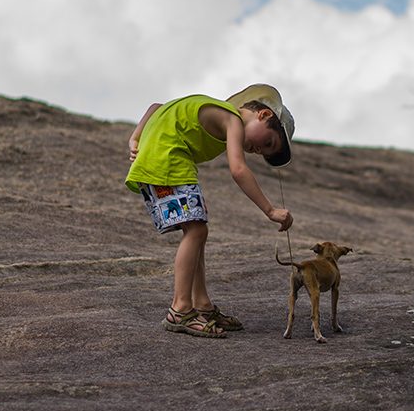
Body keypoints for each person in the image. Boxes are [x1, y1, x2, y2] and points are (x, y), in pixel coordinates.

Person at [126, 84, 295, 338]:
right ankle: (180, 309)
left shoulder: (216, 110)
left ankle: (202, 305)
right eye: (268, 142)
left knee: (196, 230)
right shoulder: (232, 120)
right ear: (264, 114)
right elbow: (238, 170)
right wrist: (269, 210)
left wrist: (135, 138)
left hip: (159, 161)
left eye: (263, 152)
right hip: (168, 162)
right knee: (196, 231)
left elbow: (155, 108)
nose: (258, 151)